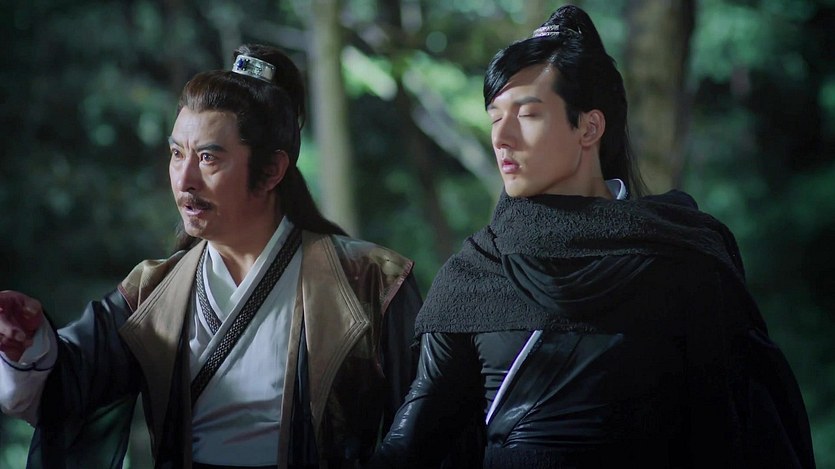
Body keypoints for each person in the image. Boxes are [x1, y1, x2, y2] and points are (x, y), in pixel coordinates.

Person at [367, 5, 815, 469]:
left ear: (589, 126)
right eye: (495, 117)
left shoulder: (679, 259)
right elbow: (414, 442)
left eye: (528, 114)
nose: (502, 137)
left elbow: (736, 432)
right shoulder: (476, 271)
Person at [0, 43, 422, 469]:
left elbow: (425, 428)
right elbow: (67, 387)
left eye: (207, 158)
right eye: (177, 154)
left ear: (272, 170)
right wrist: (28, 342)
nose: (185, 180)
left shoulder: (370, 280)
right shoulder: (152, 291)